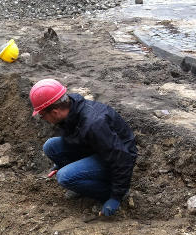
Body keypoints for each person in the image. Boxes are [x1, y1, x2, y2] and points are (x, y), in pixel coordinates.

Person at [30, 79, 137, 217]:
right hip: (97, 148)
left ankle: (108, 192)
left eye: (42, 115)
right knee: (51, 146)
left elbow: (122, 159)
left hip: (118, 157)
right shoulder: (71, 109)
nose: (42, 118)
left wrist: (116, 197)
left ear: (55, 112)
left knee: (64, 177)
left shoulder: (94, 124)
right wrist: (61, 162)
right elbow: (76, 137)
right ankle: (80, 181)